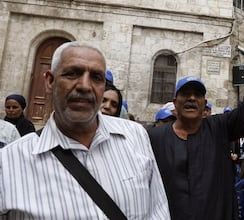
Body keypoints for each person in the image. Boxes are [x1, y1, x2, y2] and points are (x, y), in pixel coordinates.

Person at [0, 41, 170, 219]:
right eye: (72, 74)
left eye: (96, 77)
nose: (85, 86)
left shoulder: (135, 136)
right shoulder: (8, 163)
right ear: (50, 81)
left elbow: (158, 211)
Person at [148, 30, 244, 220]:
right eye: (186, 94)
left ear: (204, 102)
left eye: (197, 94)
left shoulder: (219, 128)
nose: (191, 98)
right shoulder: (154, 138)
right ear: (175, 102)